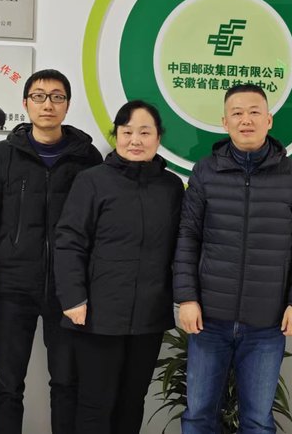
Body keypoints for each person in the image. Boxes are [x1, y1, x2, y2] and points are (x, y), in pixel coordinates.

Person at [174, 83, 292, 434]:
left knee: (257, 420)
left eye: (254, 112)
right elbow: (188, 237)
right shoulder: (206, 171)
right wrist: (187, 298)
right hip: (209, 320)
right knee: (198, 415)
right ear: (224, 122)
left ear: (269, 120)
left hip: (267, 323)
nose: (246, 120)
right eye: (237, 113)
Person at [0, 69, 103, 433]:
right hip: (13, 287)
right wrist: (8, 254)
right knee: (8, 382)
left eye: (57, 97)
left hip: (69, 290)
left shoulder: (87, 158)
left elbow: (96, 223)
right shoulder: (0, 156)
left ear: (67, 105)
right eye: (39, 96)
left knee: (66, 382)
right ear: (25, 103)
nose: (47, 104)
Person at [53, 100, 184, 434]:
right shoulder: (92, 181)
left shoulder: (171, 187)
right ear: (116, 136)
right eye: (127, 132)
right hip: (98, 315)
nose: (135, 140)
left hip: (149, 315)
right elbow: (69, 241)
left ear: (158, 138)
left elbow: (182, 247)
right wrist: (73, 298)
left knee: (132, 400)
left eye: (145, 132)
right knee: (95, 403)